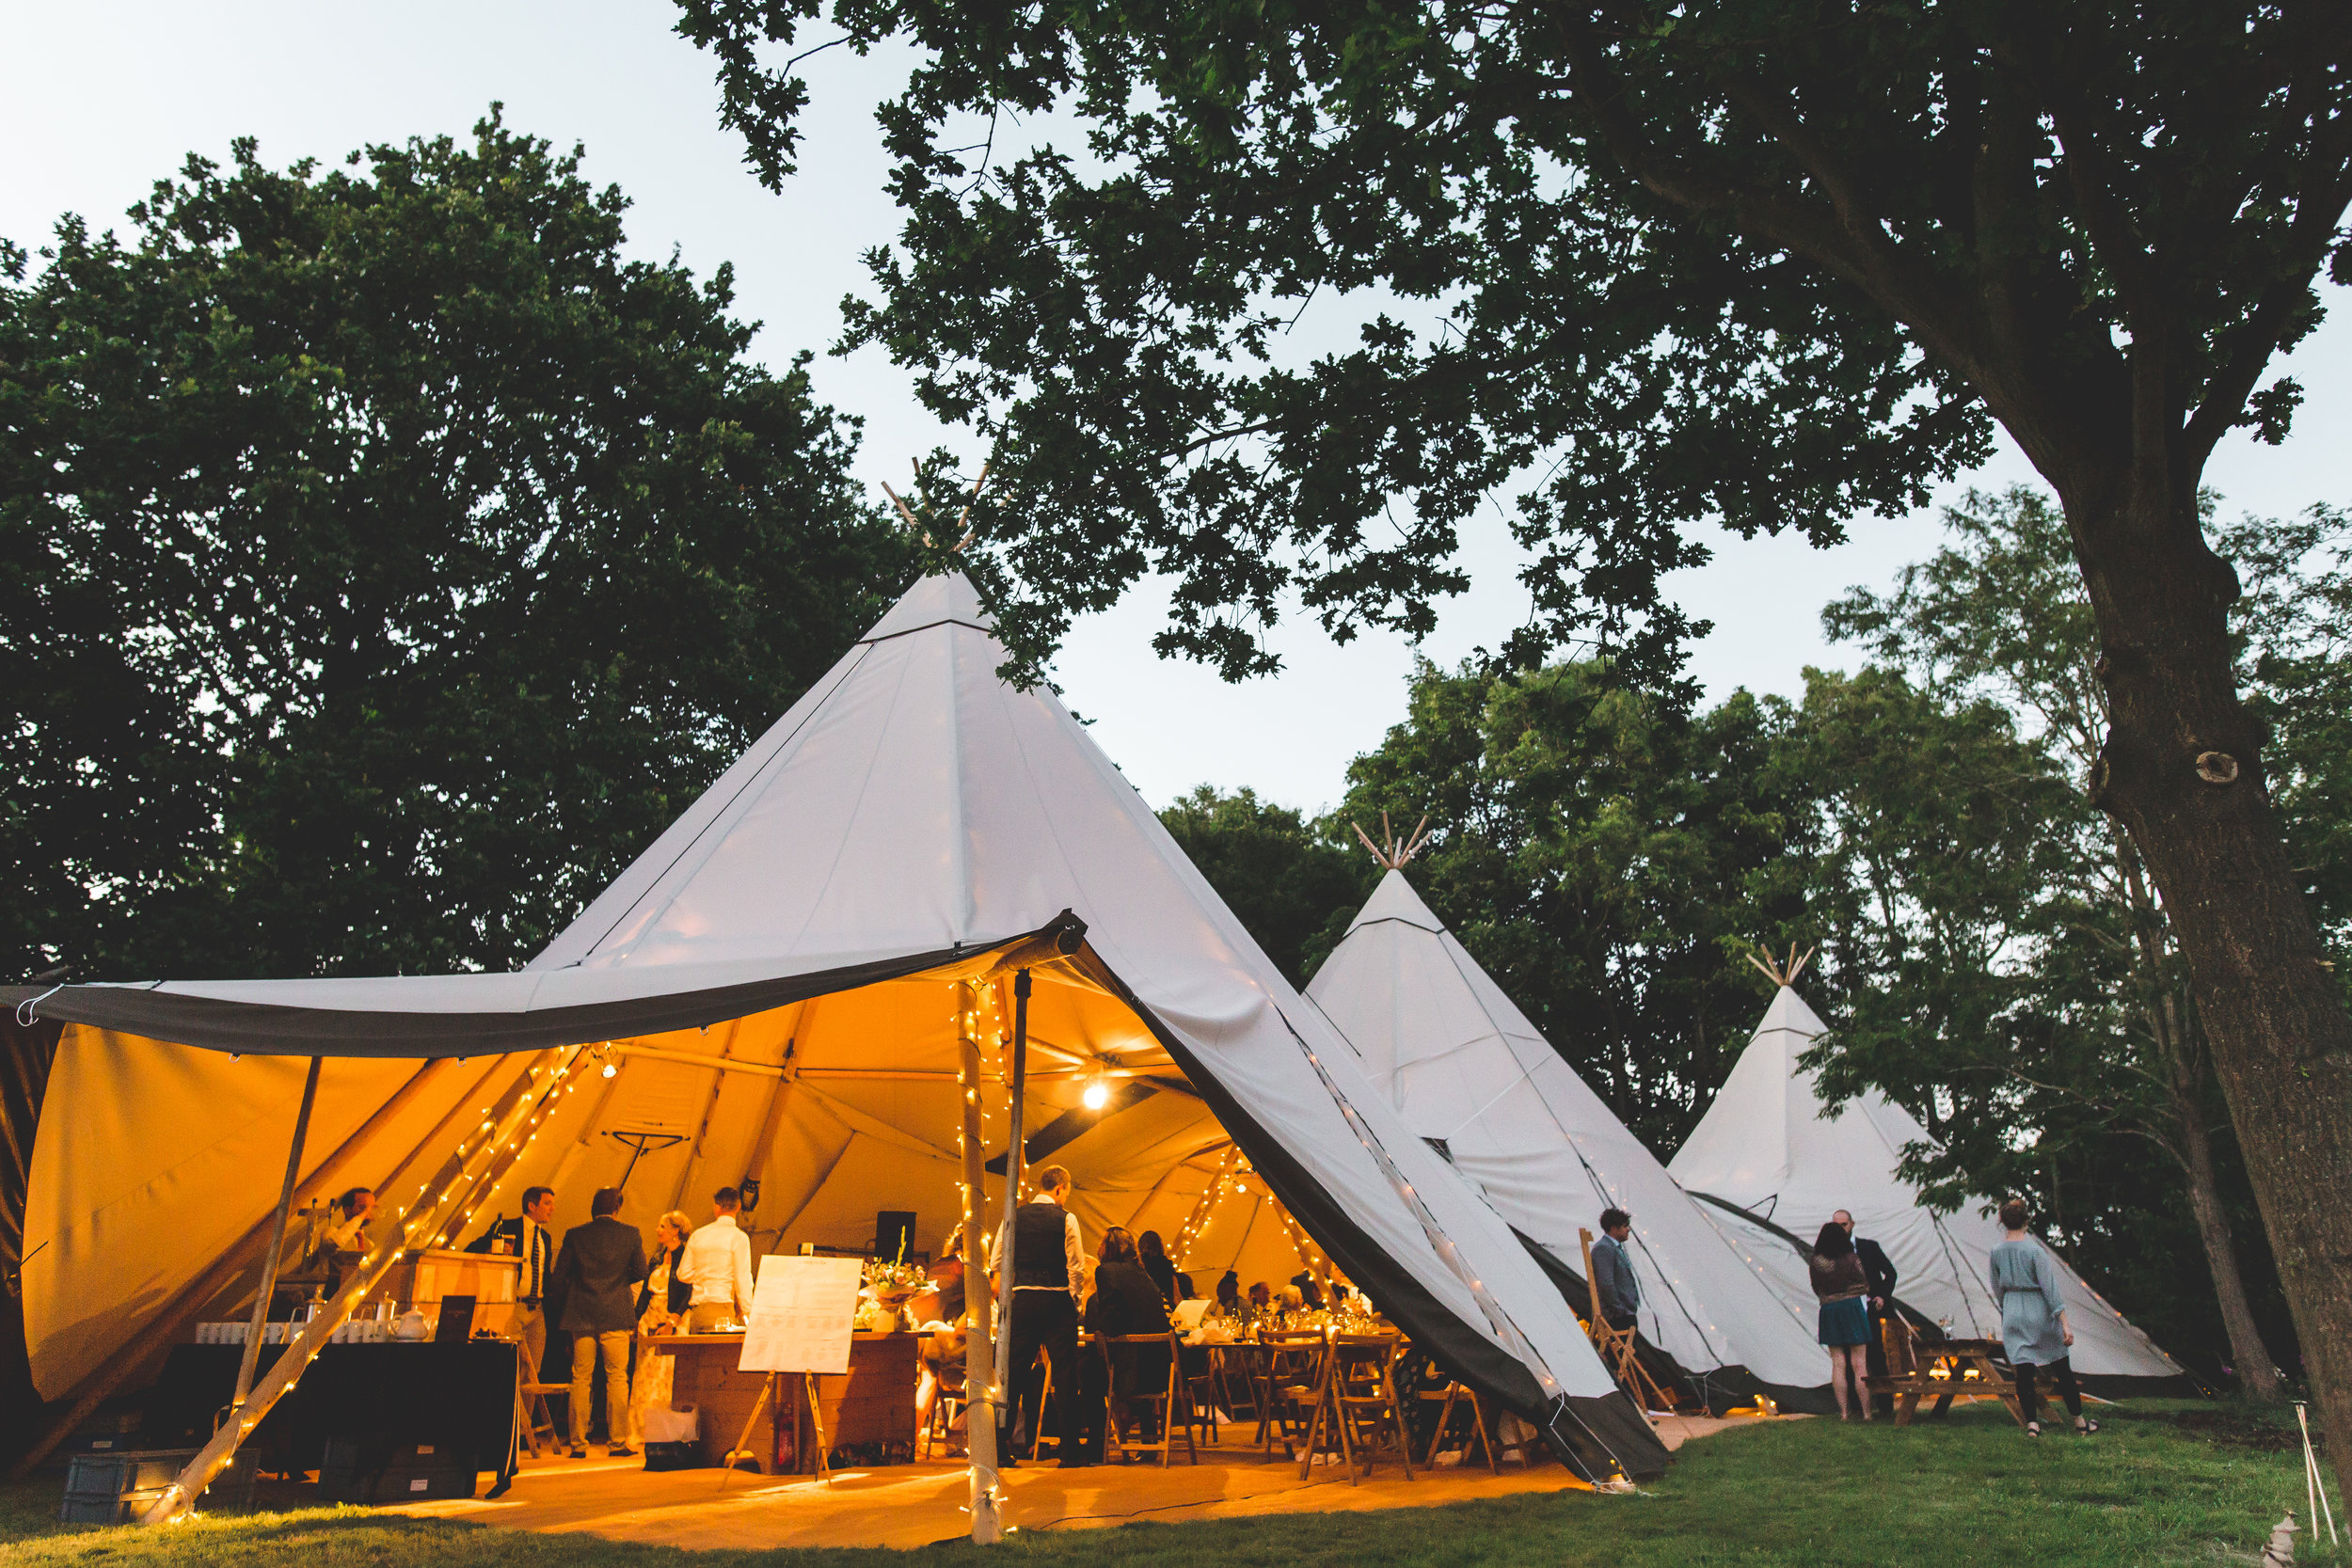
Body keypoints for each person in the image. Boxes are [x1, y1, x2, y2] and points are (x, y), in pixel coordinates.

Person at [993, 1164, 1083, 1466]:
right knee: (1065, 1375)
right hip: (1057, 1301)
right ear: (1059, 1188)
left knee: (1013, 1374)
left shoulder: (1013, 1216)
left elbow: (996, 1260)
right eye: (1066, 1193)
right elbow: (1077, 1267)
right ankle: (1069, 1451)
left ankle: (999, 1446)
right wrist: (1075, 1300)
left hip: (1023, 1300)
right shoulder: (1066, 1219)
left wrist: (1014, 1292)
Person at [550, 1187, 649, 1457]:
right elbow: (642, 1271)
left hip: (580, 1314)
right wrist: (616, 1285)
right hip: (616, 1314)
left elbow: (558, 1278)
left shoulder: (575, 1235)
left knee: (581, 1378)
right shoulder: (630, 1234)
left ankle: (578, 1444)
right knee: (617, 1378)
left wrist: (568, 1303)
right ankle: (617, 1442)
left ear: (592, 1208)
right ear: (617, 1209)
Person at [1992, 1198, 2097, 1438]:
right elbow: (2049, 1288)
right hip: (2037, 1307)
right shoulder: (2034, 1251)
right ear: (2026, 1222)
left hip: (2012, 1309)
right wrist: (2064, 1322)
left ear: (2002, 1222)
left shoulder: (1996, 1252)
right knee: (2061, 1367)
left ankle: (2032, 1424)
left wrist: (2007, 1309)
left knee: (2024, 1371)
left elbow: (1996, 1287)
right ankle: (2080, 1422)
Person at [1082, 1227, 1173, 1461]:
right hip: (1161, 1364)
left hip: (1135, 1369)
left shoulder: (1106, 1271)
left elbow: (1113, 1322)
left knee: (1089, 1371)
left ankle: (1096, 1444)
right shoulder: (1142, 1273)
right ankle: (1148, 1437)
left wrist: (1096, 1324)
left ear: (1107, 1247)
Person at [469, 1186, 558, 1382]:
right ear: (531, 1206)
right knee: (511, 1366)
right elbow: (473, 1249)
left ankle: (526, 1412)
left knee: (533, 1371)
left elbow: (545, 1274)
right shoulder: (507, 1228)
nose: (552, 1208)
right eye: (547, 1203)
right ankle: (510, 1412)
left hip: (537, 1310)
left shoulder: (545, 1238)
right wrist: (494, 1251)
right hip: (513, 1307)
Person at [628, 1210, 694, 1448]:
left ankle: (663, 1433)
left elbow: (688, 1291)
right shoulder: (657, 1256)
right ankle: (640, 1431)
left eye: (662, 1226)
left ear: (676, 1231)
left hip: (673, 1320)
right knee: (645, 1378)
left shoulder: (686, 1256)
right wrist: (635, 1321)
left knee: (666, 1378)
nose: (658, 1230)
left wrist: (672, 1321)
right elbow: (646, 1292)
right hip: (650, 1320)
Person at [1835, 1209, 1899, 1416]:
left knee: (1876, 1356)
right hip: (1846, 1310)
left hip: (1869, 1309)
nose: (1841, 1229)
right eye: (1836, 1226)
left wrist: (1882, 1296)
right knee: (1847, 1358)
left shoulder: (1868, 1247)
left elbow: (1890, 1273)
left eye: (1844, 1225)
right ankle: (1856, 1407)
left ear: (1852, 1224)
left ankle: (1885, 1405)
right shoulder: (1832, 1252)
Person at [1810, 1220, 1873, 1421]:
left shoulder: (1816, 1262)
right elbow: (1864, 1284)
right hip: (1852, 1308)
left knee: (1838, 1363)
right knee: (1859, 1363)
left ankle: (1844, 1413)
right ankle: (1866, 1412)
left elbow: (1815, 1288)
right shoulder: (1851, 1258)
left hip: (1829, 1310)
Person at [677, 1187, 755, 1332]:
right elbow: (742, 1278)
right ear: (738, 1207)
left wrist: (702, 1274)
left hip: (697, 1310)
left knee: (696, 1354)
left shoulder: (698, 1235)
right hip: (721, 1308)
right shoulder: (738, 1237)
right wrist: (748, 1312)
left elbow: (682, 1274)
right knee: (719, 1354)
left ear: (716, 1207)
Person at [313, 1187, 375, 1296]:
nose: (368, 1212)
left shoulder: (369, 1244)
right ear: (347, 1210)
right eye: (363, 1207)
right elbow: (335, 1243)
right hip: (331, 1294)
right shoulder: (331, 1233)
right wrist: (361, 1216)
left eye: (372, 1208)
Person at [1592, 1208, 1642, 1333]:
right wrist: (1620, 1310)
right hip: (1617, 1317)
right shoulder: (1604, 1249)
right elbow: (1606, 1283)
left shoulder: (1614, 1248)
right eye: (1625, 1226)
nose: (1628, 1229)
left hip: (1624, 1314)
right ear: (1614, 1228)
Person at [1136, 1229, 1179, 1309]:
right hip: (1166, 1304)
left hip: (1147, 1305)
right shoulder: (1166, 1263)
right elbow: (1175, 1289)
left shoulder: (1139, 1265)